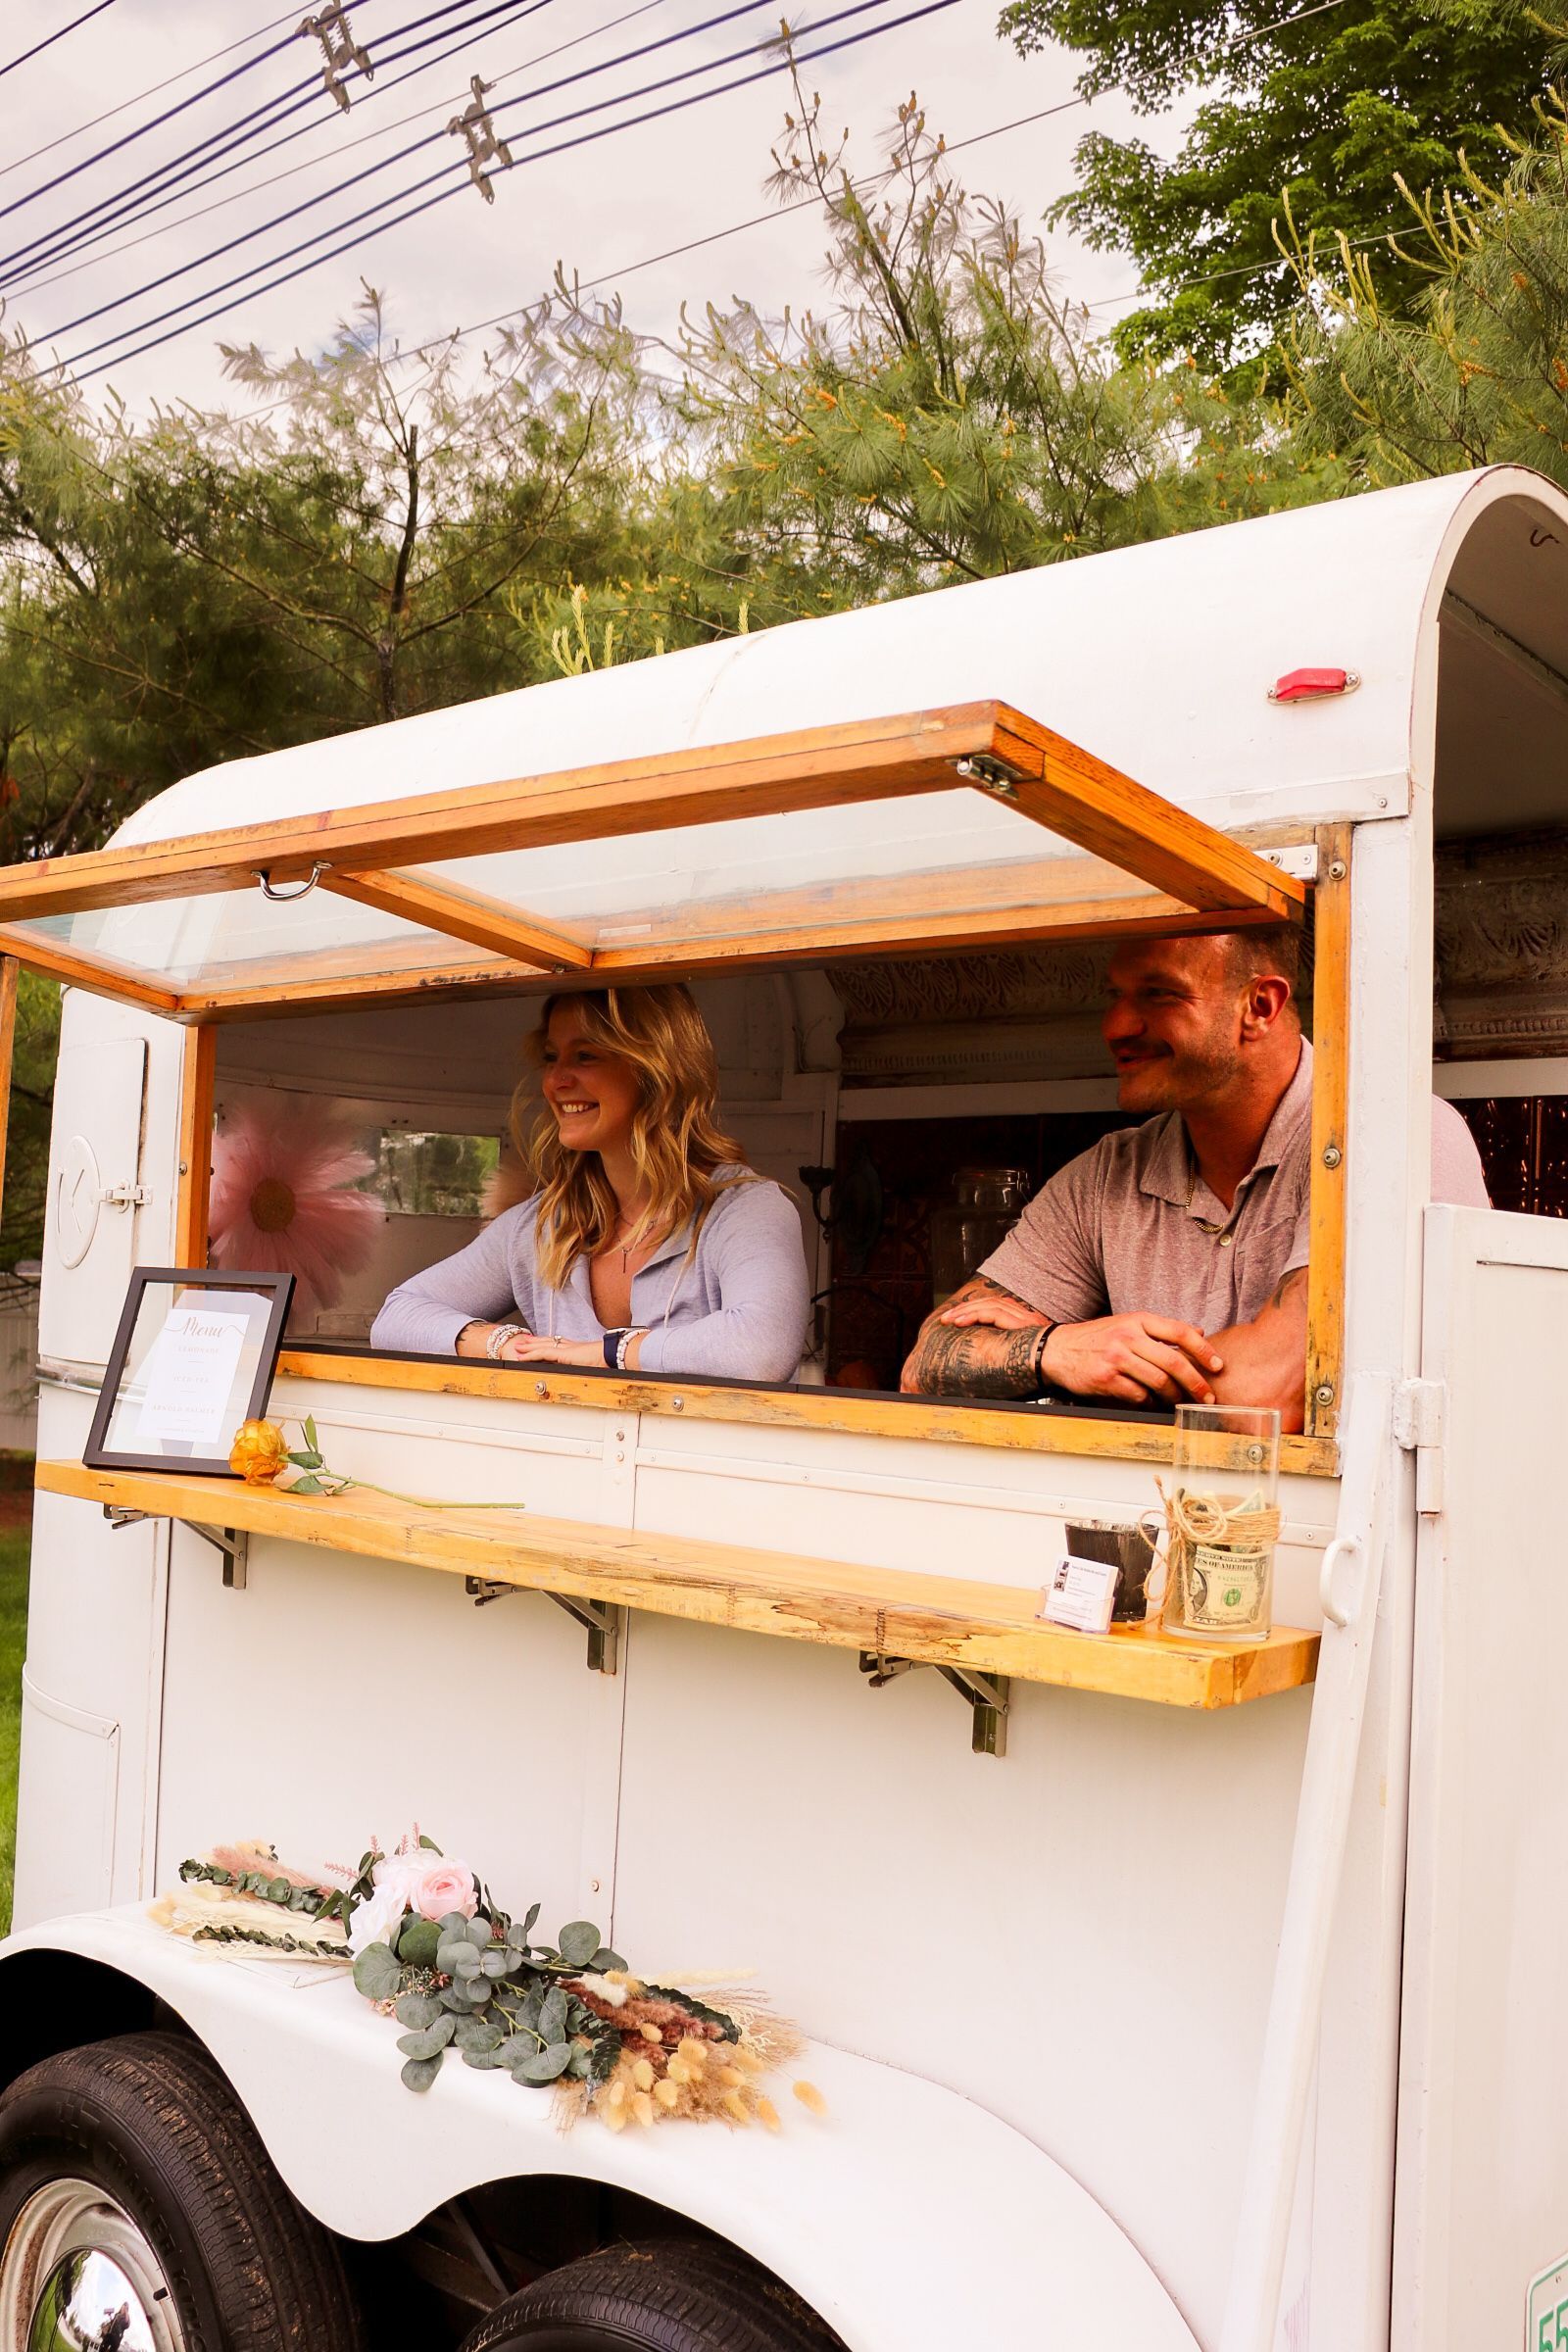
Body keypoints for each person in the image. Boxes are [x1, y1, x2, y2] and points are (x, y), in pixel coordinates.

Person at [899, 929, 1490, 1430]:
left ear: (1259, 1007)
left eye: (1158, 994)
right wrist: (1059, 1349)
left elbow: (1275, 1394)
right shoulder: (1108, 1172)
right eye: (1116, 996)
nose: (1116, 1026)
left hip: (1363, 1551)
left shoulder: (1395, 1134)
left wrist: (1097, 1368)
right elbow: (926, 1364)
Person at [371, 983, 810, 1383]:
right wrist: (505, 1343)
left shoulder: (743, 1208)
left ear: (654, 1070)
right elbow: (396, 1316)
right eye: (551, 1057)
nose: (556, 1080)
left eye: (585, 1055)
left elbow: (759, 1349)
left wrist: (605, 1352)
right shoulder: (541, 1223)